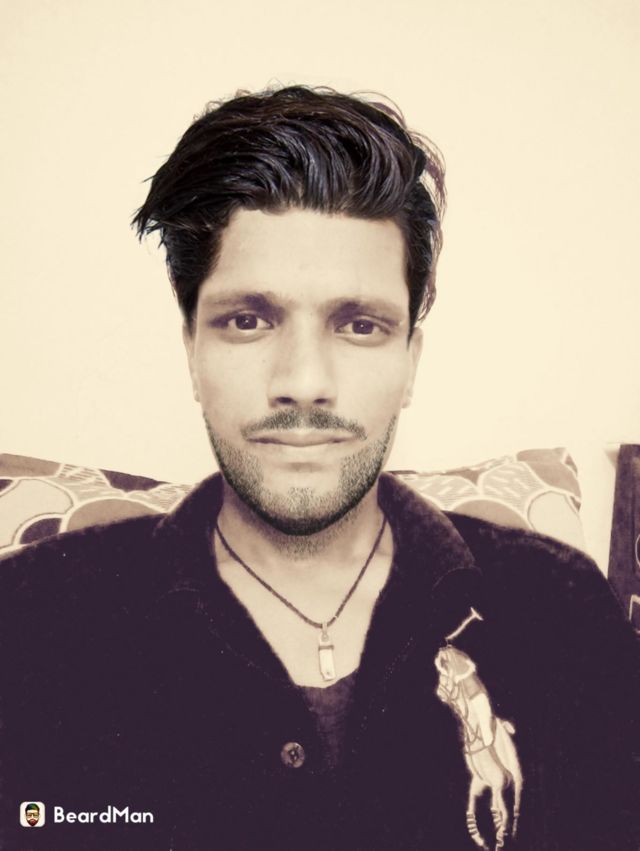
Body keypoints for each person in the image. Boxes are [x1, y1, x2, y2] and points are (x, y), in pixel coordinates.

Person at [0, 85, 638, 851]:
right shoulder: (29, 623)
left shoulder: (562, 610)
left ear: (410, 361)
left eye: (360, 325)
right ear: (191, 349)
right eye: (247, 320)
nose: (304, 381)